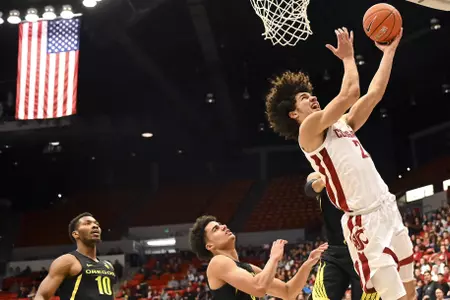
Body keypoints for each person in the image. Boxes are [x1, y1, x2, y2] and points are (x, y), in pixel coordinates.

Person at [266, 27, 415, 300]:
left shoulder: (342, 123)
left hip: (387, 206)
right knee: (395, 297)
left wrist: (389, 53)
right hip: (364, 221)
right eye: (303, 98)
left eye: (309, 94)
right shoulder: (308, 131)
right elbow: (350, 93)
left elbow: (374, 94)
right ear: (293, 113)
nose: (311, 97)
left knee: (410, 290)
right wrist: (348, 58)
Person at [189, 215, 328, 299]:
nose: (223, 226)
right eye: (216, 229)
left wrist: (308, 264)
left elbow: (288, 292)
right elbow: (259, 288)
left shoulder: (248, 268)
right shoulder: (217, 262)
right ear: (210, 246)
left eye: (220, 225)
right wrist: (273, 258)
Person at [305, 171, 379, 300]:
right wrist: (327, 178)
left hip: (364, 251)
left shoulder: (358, 170)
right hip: (335, 251)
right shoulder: (318, 175)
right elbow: (309, 189)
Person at [34, 212, 116, 300]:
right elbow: (42, 296)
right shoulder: (68, 261)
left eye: (96, 224)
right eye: (87, 223)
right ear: (75, 234)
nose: (95, 226)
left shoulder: (108, 265)